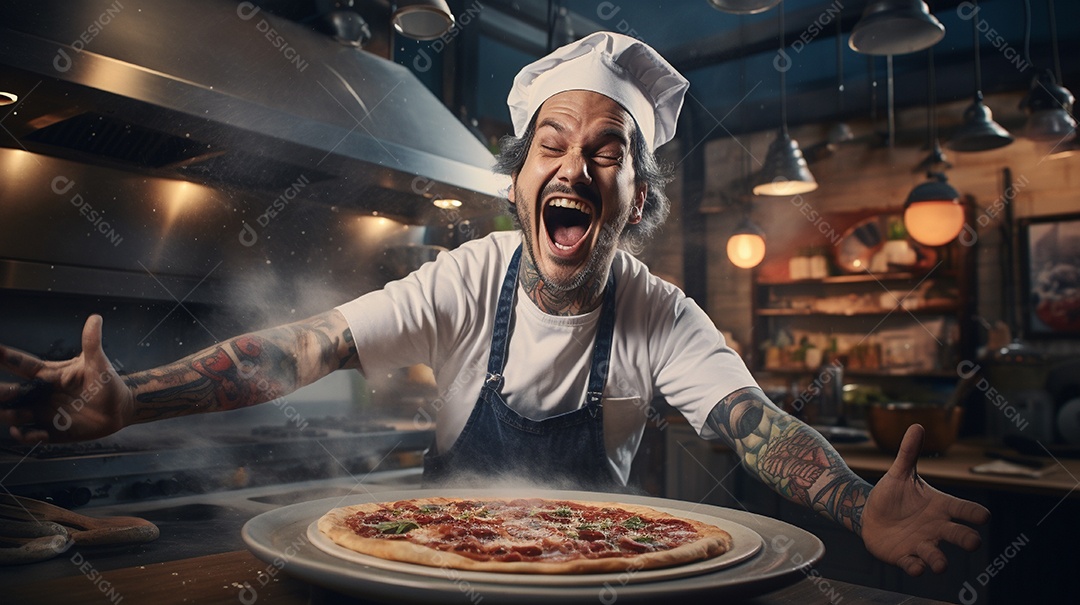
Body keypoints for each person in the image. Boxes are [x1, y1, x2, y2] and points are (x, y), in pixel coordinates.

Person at [0, 31, 987, 577]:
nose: (578, 165)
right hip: (423, 573)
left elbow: (749, 422)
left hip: (599, 580)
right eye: (552, 143)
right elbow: (309, 344)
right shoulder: (466, 275)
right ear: (520, 185)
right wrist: (136, 397)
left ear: (637, 199)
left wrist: (858, 503)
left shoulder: (663, 314)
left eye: (610, 150)